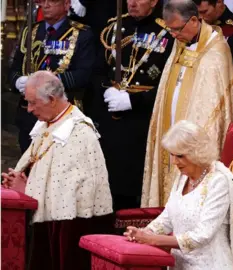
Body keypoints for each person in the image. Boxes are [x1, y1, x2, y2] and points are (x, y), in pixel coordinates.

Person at [1, 71, 113, 270]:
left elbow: (68, 194)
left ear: (52, 100)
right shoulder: (49, 122)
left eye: (33, 103)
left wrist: (26, 189)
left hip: (64, 230)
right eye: (27, 102)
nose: (29, 109)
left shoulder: (79, 133)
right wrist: (18, 178)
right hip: (40, 223)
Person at [141, 0, 233, 207]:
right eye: (170, 30)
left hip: (192, 137)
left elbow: (210, 110)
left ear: (194, 20)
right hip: (170, 129)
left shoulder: (216, 51)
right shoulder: (180, 45)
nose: (174, 35)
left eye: (177, 29)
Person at [124, 120, 233, 270]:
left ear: (197, 152)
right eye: (172, 155)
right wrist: (144, 232)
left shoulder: (218, 182)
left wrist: (154, 240)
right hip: (179, 265)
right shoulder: (182, 177)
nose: (174, 162)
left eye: (180, 156)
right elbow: (168, 216)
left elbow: (202, 235)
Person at [91, 0, 174, 211]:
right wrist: (106, 89)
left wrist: (134, 100)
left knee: (133, 187)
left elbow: (170, 83)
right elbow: (98, 70)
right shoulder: (115, 27)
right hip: (111, 117)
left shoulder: (167, 33)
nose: (132, 3)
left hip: (142, 120)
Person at [8, 0, 95, 153]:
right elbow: (14, 68)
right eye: (43, 1)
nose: (46, 5)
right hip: (30, 114)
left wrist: (47, 84)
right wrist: (18, 81)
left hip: (61, 115)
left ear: (67, 4)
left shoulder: (81, 34)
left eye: (53, 1)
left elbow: (84, 74)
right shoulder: (31, 31)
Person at [193, 0, 233, 90]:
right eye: (198, 13)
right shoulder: (198, 26)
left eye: (204, 12)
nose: (201, 17)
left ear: (219, 2)